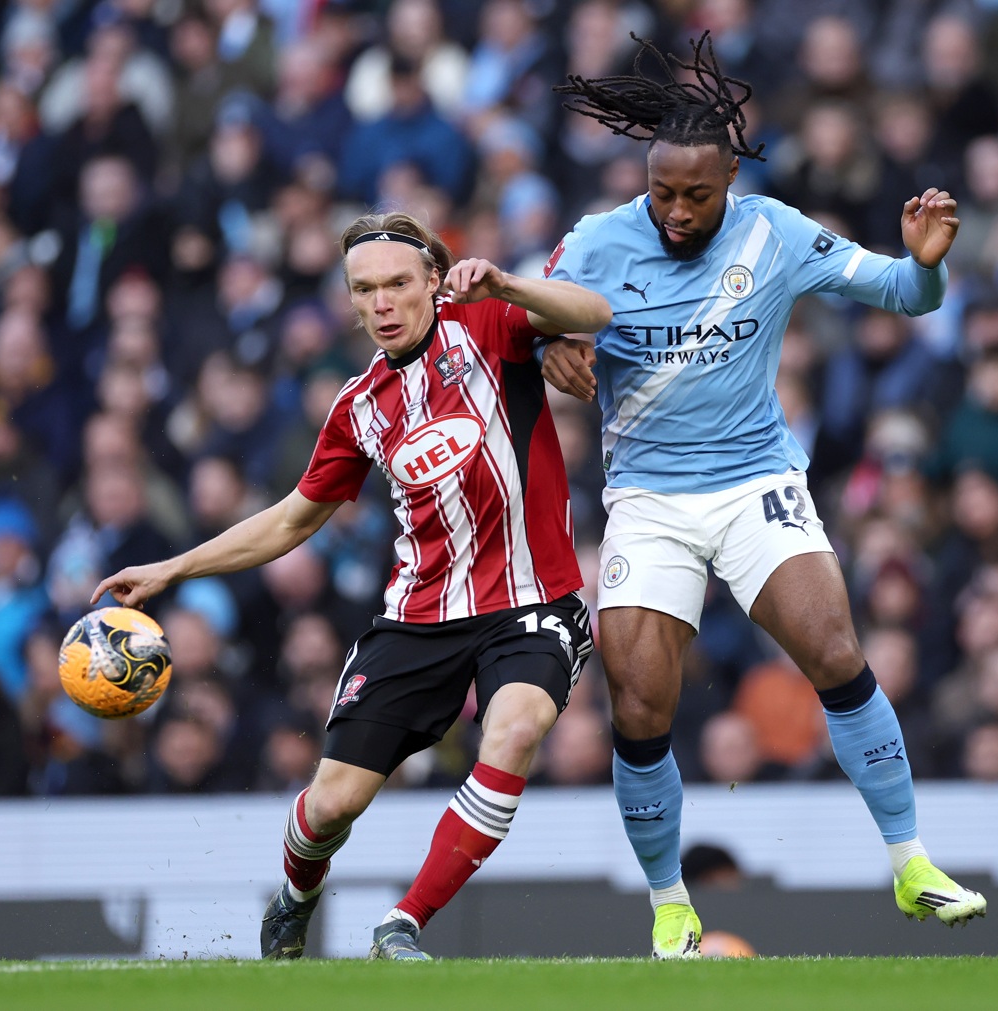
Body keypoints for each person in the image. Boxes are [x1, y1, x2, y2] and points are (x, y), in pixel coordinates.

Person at [541, 34, 986, 958]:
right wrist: (550, 347)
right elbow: (530, 325)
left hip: (755, 484)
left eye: (695, 195)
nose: (675, 211)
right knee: (638, 707)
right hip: (649, 501)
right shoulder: (593, 242)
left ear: (731, 178)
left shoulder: (774, 233)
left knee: (834, 650)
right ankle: (669, 902)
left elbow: (904, 294)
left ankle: (910, 861)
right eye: (661, 192)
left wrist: (926, 262)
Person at [91, 211, 610, 961]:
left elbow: (593, 311)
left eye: (398, 283)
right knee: (332, 804)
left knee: (516, 727)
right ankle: (296, 896)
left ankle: (402, 923)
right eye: (364, 290)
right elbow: (290, 520)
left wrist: (506, 282)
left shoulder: (490, 323)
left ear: (433, 280)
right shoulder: (358, 405)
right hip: (418, 615)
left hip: (533, 602)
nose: (382, 303)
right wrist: (173, 567)